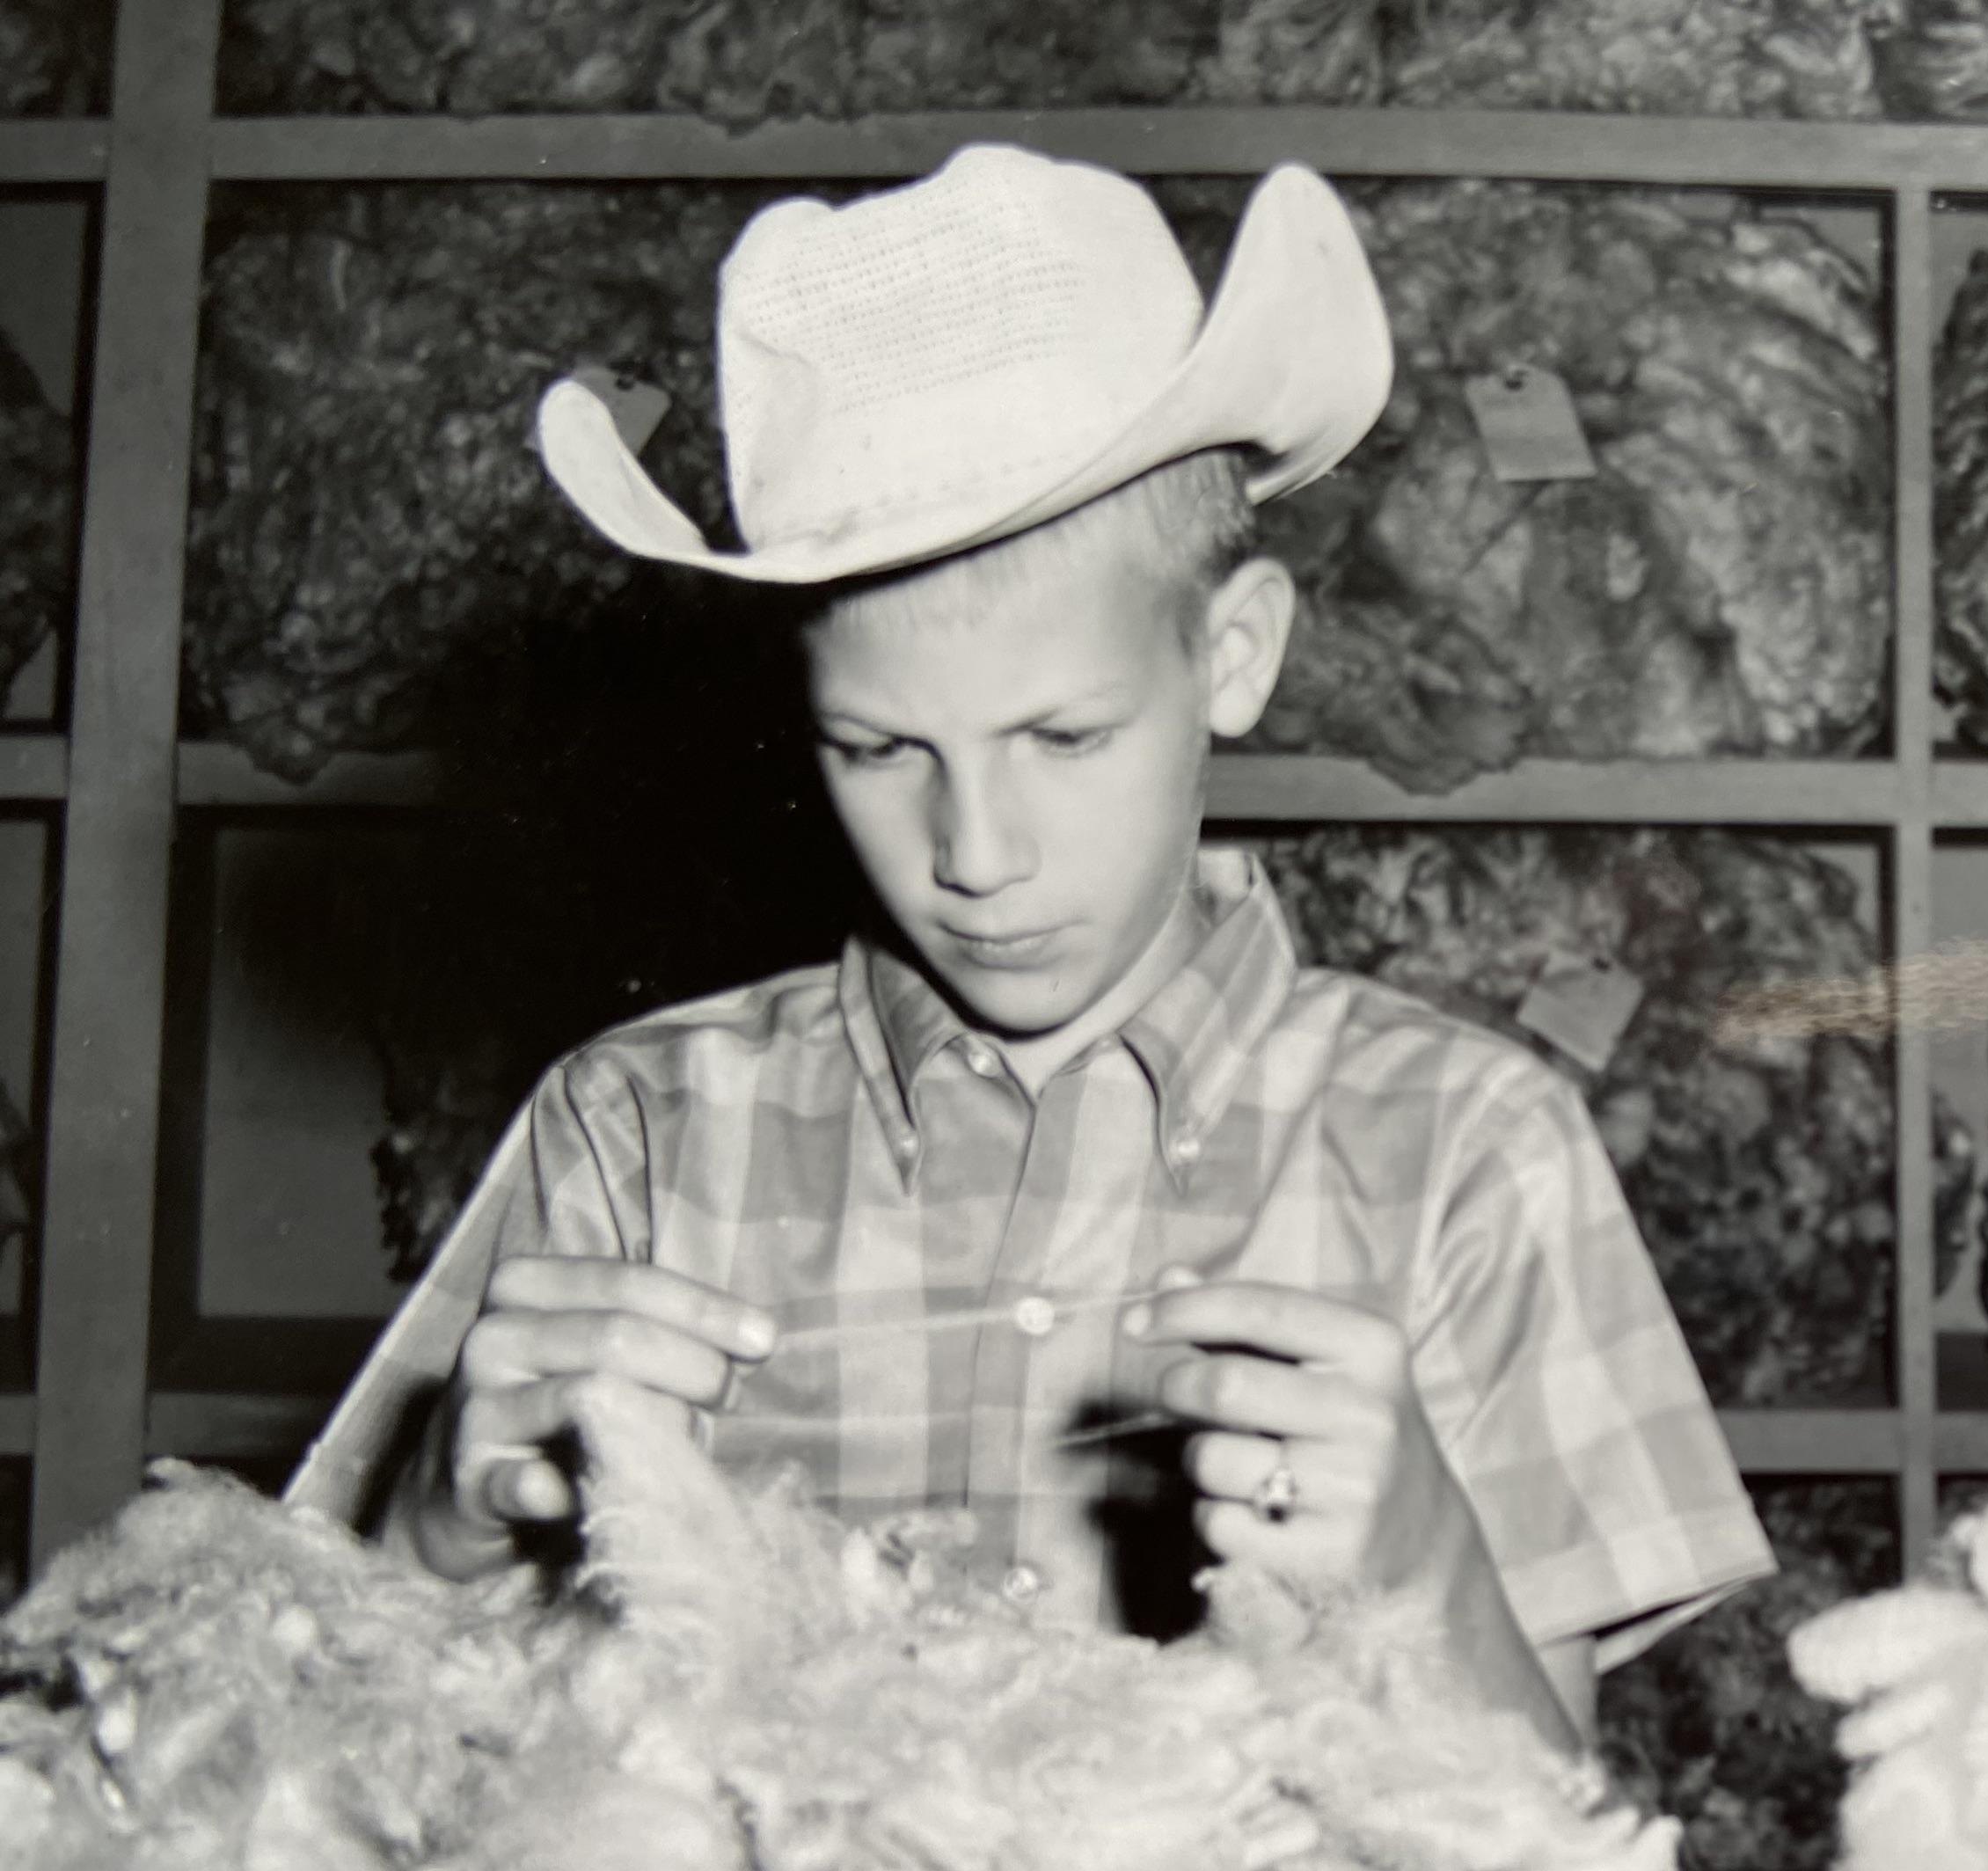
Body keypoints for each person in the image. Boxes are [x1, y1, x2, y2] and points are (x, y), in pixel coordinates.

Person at [288, 145, 1775, 1749]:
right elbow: (348, 1794)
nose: (975, 859)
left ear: (1237, 653)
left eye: (1063, 736)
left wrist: (1424, 1559)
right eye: (878, 750)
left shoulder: (1472, 1150)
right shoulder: (639, 1126)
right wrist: (436, 1536)